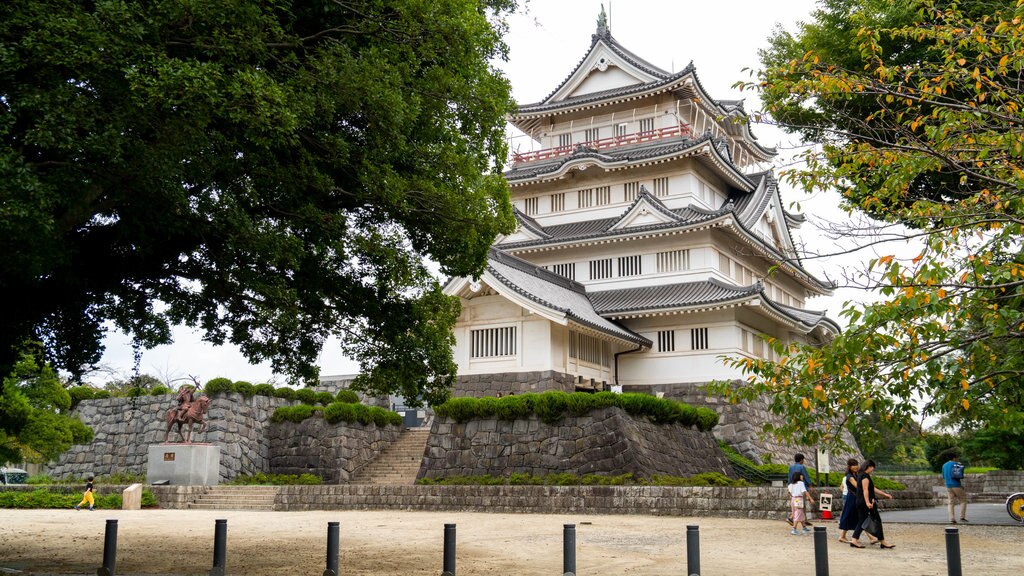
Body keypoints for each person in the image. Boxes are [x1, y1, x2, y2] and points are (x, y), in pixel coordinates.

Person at [849, 460, 895, 549]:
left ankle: (854, 540)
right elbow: (865, 490)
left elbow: (872, 488)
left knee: (862, 521)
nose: (872, 470)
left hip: (860, 502)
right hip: (866, 503)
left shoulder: (860, 475)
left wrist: (884, 494)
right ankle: (882, 541)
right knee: (877, 520)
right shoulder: (865, 476)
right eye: (872, 468)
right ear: (869, 467)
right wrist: (867, 502)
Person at [787, 453, 815, 526]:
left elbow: (789, 478)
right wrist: (810, 485)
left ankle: (803, 520)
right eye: (803, 459)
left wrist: (790, 487)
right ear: (801, 460)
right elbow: (806, 476)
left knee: (796, 505)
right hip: (801, 489)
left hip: (793, 487)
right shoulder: (801, 467)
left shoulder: (791, 467)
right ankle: (794, 519)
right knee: (801, 505)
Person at [837, 458, 861, 543]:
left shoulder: (856, 475)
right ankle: (871, 537)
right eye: (853, 465)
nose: (855, 467)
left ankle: (843, 536)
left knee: (854, 516)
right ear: (849, 466)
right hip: (851, 497)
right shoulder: (850, 476)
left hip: (854, 497)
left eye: (856, 464)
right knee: (853, 516)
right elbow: (858, 486)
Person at [941, 451, 968, 524]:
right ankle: (962, 517)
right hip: (956, 484)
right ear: (954, 458)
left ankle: (951, 519)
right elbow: (960, 475)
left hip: (948, 485)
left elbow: (943, 476)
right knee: (963, 500)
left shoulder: (944, 465)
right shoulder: (956, 464)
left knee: (951, 502)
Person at [788, 471, 812, 535]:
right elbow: (805, 491)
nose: (802, 476)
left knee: (800, 513)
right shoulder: (801, 483)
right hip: (798, 499)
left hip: (793, 499)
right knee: (798, 514)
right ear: (798, 476)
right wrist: (810, 498)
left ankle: (804, 527)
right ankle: (794, 529)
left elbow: (790, 492)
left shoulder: (790, 484)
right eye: (801, 475)